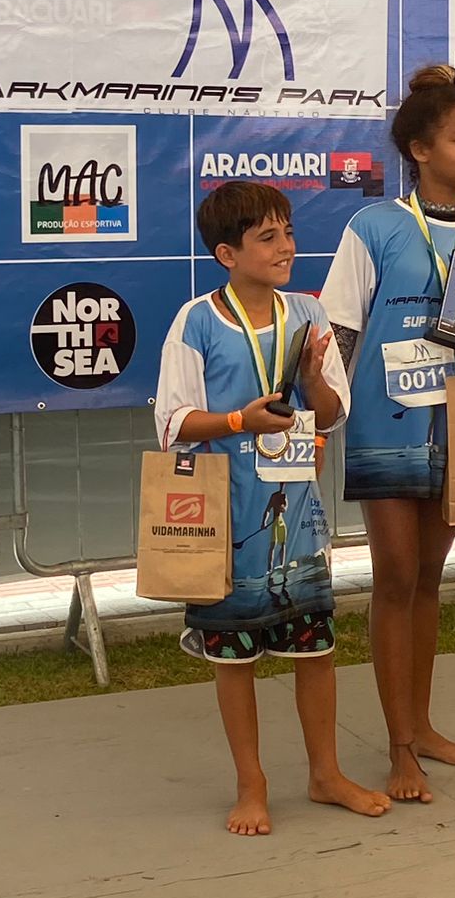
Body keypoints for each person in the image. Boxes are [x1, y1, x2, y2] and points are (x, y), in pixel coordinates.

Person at [155, 180, 391, 836]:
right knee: (234, 657)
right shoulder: (196, 321)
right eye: (268, 237)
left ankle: (325, 772)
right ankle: (251, 783)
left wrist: (313, 380)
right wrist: (239, 418)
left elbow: (332, 411)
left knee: (315, 646)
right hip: (226, 515)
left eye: (287, 232)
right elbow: (172, 423)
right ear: (227, 254)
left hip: (297, 510)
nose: (286, 246)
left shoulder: (310, 316)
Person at [321, 65, 455, 804]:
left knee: (431, 580)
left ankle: (425, 726)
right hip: (384, 418)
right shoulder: (372, 226)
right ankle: (399, 746)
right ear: (419, 149)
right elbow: (339, 328)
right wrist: (320, 418)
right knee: (396, 577)